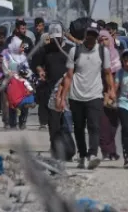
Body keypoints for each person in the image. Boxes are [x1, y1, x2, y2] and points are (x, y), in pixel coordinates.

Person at [59, 22, 114, 170]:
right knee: (78, 128)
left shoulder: (103, 52)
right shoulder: (75, 51)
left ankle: (92, 155)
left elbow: (108, 73)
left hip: (95, 95)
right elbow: (68, 77)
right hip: (76, 96)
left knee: (94, 126)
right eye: (89, 34)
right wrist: (63, 97)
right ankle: (82, 156)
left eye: (94, 35)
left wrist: (112, 90)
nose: (91, 38)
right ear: (85, 35)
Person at [43, 23, 72, 158]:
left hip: (68, 91)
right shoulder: (46, 50)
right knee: (53, 123)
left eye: (58, 38)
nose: (56, 41)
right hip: (51, 91)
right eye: (53, 38)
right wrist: (40, 70)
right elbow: (37, 64)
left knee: (66, 123)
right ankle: (54, 148)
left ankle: (68, 149)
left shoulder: (70, 51)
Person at [98, 29, 121, 161]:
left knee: (114, 123)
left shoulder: (116, 56)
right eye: (100, 40)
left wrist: (114, 92)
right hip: (100, 93)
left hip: (115, 93)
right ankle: (107, 151)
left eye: (106, 39)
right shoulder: (96, 56)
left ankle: (111, 150)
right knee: (103, 123)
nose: (103, 42)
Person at [32, 17, 49, 130]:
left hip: (49, 72)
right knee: (42, 98)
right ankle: (43, 121)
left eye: (40, 25)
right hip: (40, 72)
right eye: (37, 26)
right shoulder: (36, 38)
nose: (38, 28)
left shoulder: (49, 47)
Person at [6, 64, 36, 130]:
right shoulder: (25, 81)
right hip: (22, 99)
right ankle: (22, 123)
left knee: (12, 110)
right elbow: (31, 90)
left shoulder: (12, 77)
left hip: (13, 99)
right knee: (24, 109)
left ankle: (13, 125)